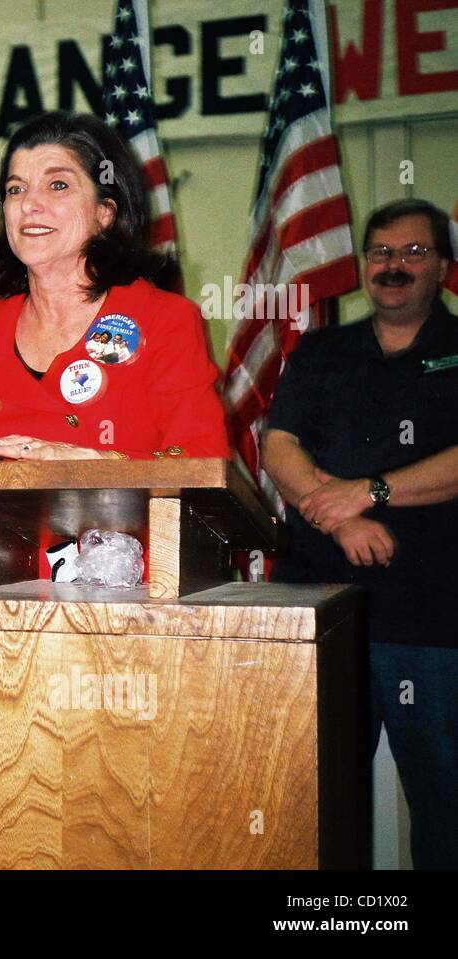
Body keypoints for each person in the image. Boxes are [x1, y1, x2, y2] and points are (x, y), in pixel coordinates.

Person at [0, 111, 228, 540]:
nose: (30, 204)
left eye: (58, 185)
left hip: (129, 581)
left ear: (105, 212)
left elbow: (204, 464)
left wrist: (88, 464)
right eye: (16, 189)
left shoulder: (164, 319)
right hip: (5, 581)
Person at [262, 198, 458, 869]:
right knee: (318, 806)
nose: (393, 266)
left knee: (446, 808)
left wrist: (368, 491)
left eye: (413, 252)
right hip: (320, 612)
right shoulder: (321, 351)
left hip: (432, 622)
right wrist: (337, 511)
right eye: (380, 253)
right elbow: (278, 444)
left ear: (444, 266)